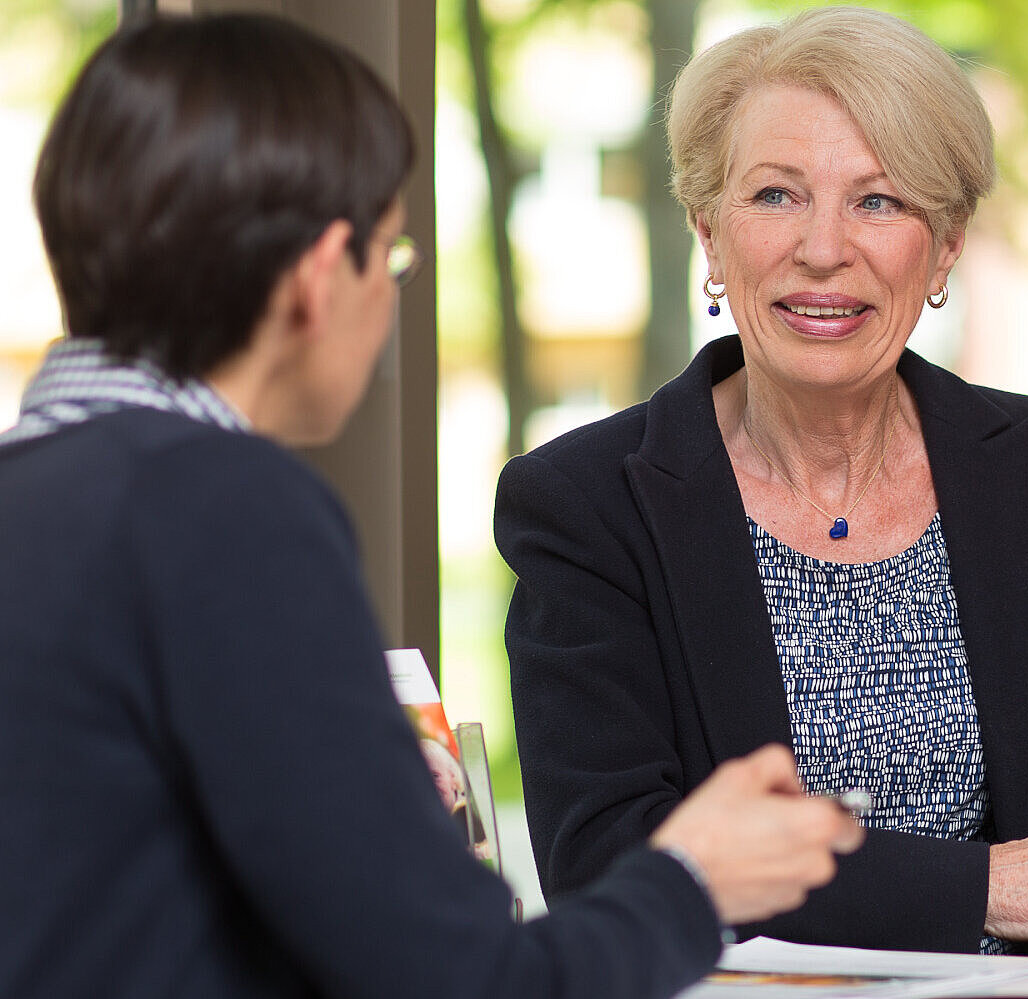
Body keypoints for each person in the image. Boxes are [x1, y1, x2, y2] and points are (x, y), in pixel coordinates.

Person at [0, 14, 860, 999]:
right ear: (322, 274)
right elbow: (459, 981)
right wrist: (694, 877)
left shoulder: (42, 496)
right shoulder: (225, 507)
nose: (390, 298)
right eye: (393, 257)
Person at [497, 4, 1028, 953]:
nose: (824, 248)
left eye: (879, 201)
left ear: (946, 246)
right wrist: (989, 886)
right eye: (776, 195)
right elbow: (607, 857)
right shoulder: (586, 504)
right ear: (709, 232)